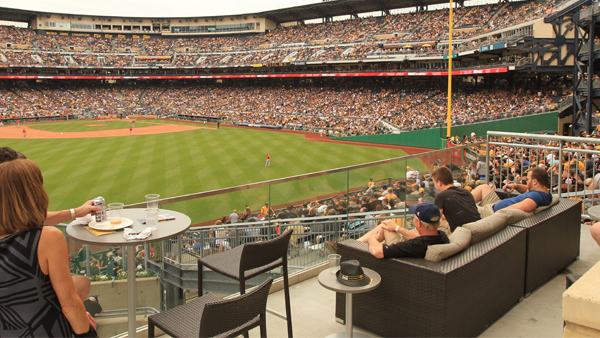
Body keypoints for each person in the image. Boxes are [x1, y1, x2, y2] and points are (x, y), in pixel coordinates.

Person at [0, 159, 97, 337]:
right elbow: (69, 304)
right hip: (46, 330)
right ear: (35, 192)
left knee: (82, 283)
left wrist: (75, 212)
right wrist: (87, 333)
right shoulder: (48, 238)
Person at [359, 203, 449, 259]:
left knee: (383, 226)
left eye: (414, 217)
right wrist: (397, 228)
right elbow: (422, 239)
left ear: (419, 224)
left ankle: (352, 247)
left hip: (399, 263)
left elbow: (377, 252)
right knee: (386, 226)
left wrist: (372, 239)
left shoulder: (413, 245)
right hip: (415, 260)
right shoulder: (442, 236)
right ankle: (353, 244)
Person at [471, 167, 553, 217]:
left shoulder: (536, 196)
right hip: (496, 204)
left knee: (462, 204)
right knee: (484, 187)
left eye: (527, 179)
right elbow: (528, 189)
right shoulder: (545, 193)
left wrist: (499, 212)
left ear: (535, 181)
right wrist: (515, 186)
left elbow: (524, 207)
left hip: (491, 212)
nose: (526, 181)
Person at [432, 167, 480, 232]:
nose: (435, 186)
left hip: (462, 234)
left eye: (435, 183)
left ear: (439, 183)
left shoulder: (441, 196)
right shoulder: (466, 191)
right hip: (479, 227)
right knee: (443, 219)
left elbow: (435, 219)